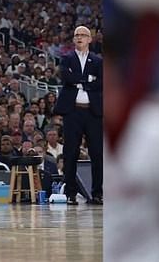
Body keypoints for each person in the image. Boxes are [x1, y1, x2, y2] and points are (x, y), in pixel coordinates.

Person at [54, 25, 103, 204]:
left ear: (90, 39)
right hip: (72, 111)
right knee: (70, 153)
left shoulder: (98, 61)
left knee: (97, 153)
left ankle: (97, 193)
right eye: (77, 35)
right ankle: (71, 194)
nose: (80, 37)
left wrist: (80, 81)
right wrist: (88, 80)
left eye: (83, 35)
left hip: (93, 112)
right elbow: (66, 77)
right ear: (73, 39)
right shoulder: (66, 59)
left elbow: (101, 82)